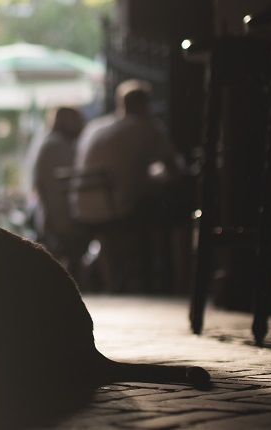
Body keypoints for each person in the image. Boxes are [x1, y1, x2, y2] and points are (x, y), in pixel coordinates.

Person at [70, 79, 185, 293]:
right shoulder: (148, 127)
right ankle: (161, 280)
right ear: (145, 104)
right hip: (118, 209)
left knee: (117, 226)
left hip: (81, 207)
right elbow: (174, 169)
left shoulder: (97, 126)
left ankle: (115, 281)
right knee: (164, 212)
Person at [31, 107, 90, 279]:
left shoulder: (47, 142)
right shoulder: (58, 146)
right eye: (77, 119)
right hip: (63, 218)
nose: (82, 124)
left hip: (48, 217)